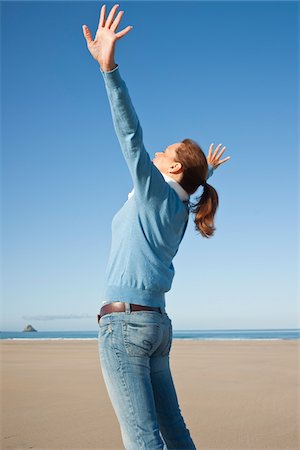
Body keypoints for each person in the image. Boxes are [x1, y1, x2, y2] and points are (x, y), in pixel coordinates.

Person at [82, 4, 230, 449]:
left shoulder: (157, 194)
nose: (157, 154)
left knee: (144, 440)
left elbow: (130, 137)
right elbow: (187, 189)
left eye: (165, 152)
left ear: (173, 168)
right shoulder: (181, 208)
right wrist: (206, 173)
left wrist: (109, 70)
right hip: (157, 327)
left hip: (126, 326)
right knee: (175, 432)